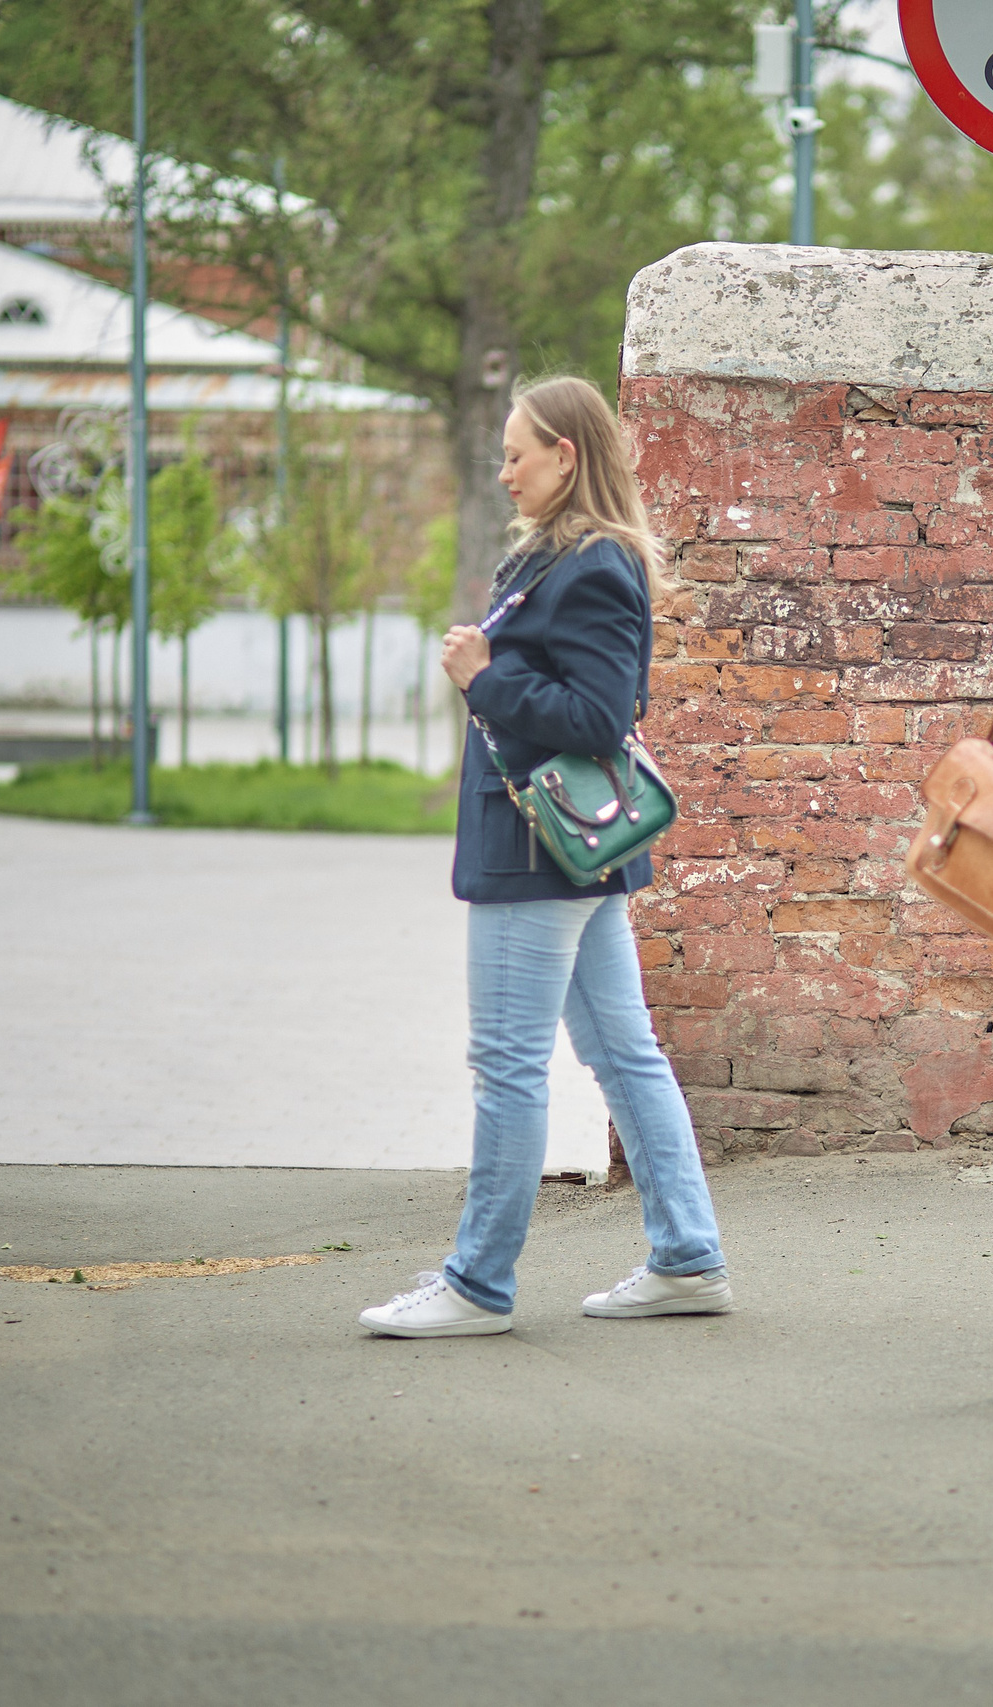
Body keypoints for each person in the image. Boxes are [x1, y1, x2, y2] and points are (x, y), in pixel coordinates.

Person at [359, 376, 731, 1339]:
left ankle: (478, 1283)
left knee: (509, 1065)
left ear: (566, 456)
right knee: (623, 1053)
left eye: (516, 454)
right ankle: (687, 1257)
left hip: (540, 850)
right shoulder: (563, 557)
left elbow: (602, 717)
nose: (503, 471)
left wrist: (485, 680)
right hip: (568, 850)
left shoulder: (591, 565)